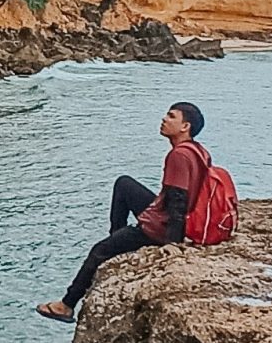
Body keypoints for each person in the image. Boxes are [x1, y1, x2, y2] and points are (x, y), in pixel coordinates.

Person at [37, 101, 211, 321]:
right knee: (124, 184)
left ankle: (66, 305)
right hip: (172, 216)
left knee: (99, 250)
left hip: (160, 227)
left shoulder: (178, 156)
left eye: (171, 116)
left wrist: (171, 245)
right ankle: (117, 238)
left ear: (185, 126)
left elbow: (178, 201)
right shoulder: (198, 151)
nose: (164, 119)